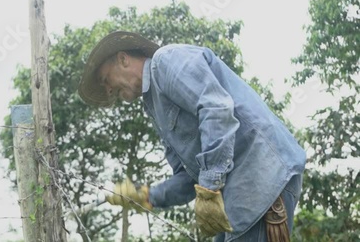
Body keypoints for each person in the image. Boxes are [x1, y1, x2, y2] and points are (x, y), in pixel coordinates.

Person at [78, 31, 306, 241]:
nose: (108, 91)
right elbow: (189, 178)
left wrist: (209, 188)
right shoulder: (154, 107)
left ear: (123, 59)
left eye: (105, 79)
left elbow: (216, 109)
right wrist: (147, 196)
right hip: (234, 195)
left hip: (260, 176)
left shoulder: (165, 61)